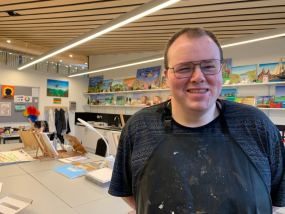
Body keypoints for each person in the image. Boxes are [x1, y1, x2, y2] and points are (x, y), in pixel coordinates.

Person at [109, 27, 285, 213]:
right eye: (184, 68)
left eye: (209, 66)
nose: (198, 77)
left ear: (221, 71)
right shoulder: (140, 127)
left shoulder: (257, 125)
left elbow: (276, 197)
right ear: (167, 77)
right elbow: (126, 189)